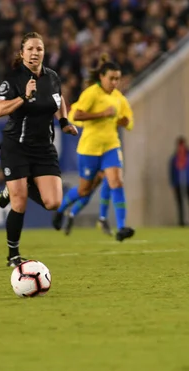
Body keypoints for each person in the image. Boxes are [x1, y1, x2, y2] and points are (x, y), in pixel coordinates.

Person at [0, 32, 78, 267]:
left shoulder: (52, 77)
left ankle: (15, 186)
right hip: (16, 147)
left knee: (53, 202)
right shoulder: (12, 79)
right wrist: (23, 97)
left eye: (39, 49)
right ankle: (13, 254)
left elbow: (59, 101)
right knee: (19, 203)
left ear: (44, 52)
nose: (34, 53)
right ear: (22, 54)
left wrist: (64, 122)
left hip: (43, 149)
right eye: (30, 49)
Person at [52, 54, 135, 242]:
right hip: (89, 148)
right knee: (84, 191)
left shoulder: (119, 99)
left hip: (111, 146)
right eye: (111, 78)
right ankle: (60, 210)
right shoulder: (91, 93)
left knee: (117, 182)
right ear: (102, 77)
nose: (115, 82)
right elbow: (75, 115)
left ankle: (121, 227)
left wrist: (124, 121)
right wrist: (101, 114)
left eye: (117, 78)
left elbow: (129, 121)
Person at [169, 137, 189, 226]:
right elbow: (172, 171)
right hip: (179, 184)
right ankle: (182, 223)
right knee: (181, 205)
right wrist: (173, 183)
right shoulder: (175, 158)